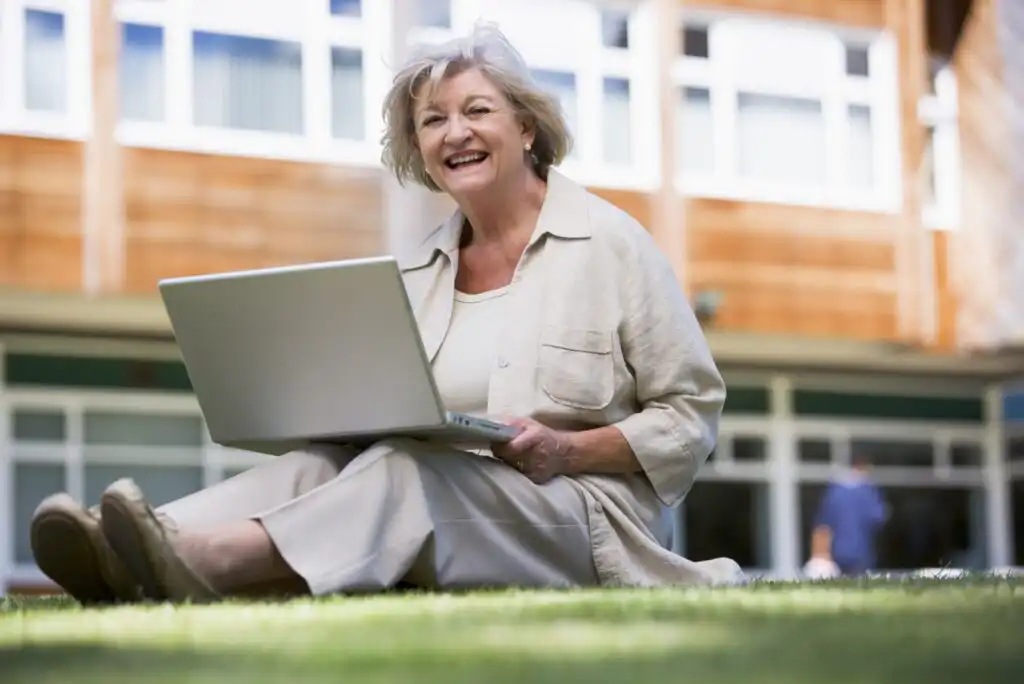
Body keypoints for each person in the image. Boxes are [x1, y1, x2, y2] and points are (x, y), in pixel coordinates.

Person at [28, 23, 741, 605]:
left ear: (526, 127)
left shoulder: (610, 242)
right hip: (439, 500)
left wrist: (567, 448)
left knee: (403, 472)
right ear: (421, 152)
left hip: (576, 515)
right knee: (324, 464)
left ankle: (195, 561)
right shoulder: (414, 269)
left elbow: (689, 416)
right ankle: (120, 546)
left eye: (475, 111)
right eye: (433, 121)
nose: (453, 132)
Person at [807, 453, 888, 577]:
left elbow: (822, 527)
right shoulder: (868, 491)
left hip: (837, 553)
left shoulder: (834, 492)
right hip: (861, 552)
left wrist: (820, 555)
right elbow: (879, 517)